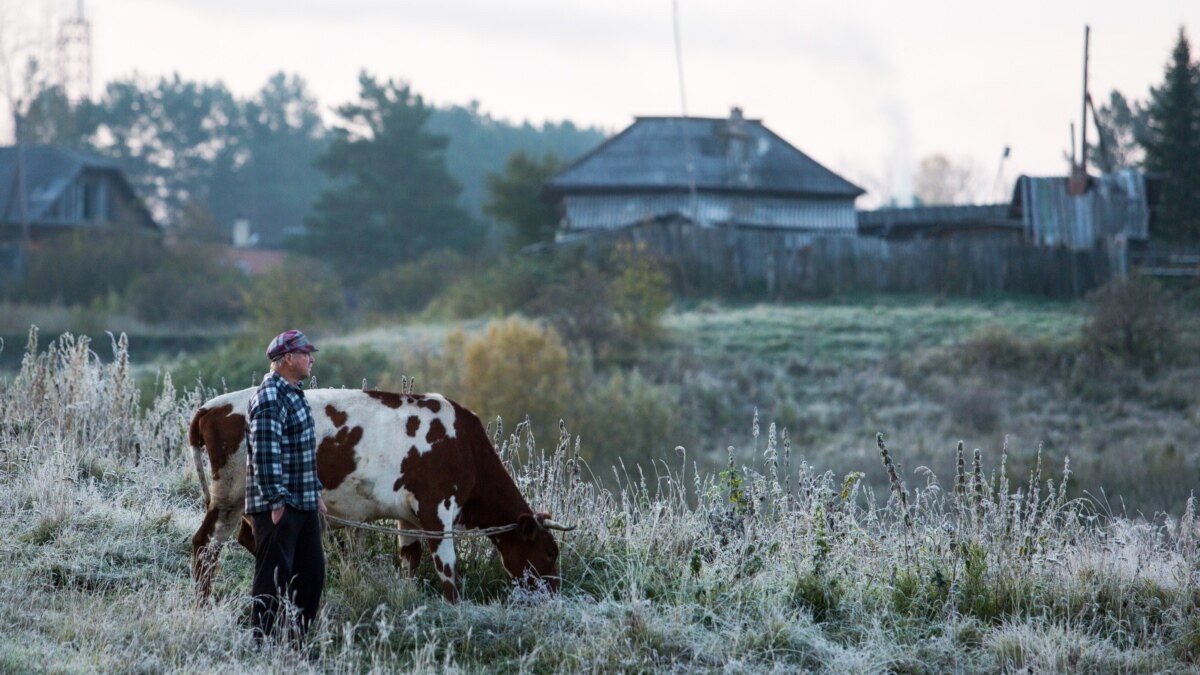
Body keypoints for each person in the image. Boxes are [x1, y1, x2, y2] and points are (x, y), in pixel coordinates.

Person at [246, 329, 327, 646]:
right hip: (279, 508)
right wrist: (277, 502)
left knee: (311, 577)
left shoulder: (294, 393)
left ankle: (296, 644)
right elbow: (266, 454)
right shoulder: (270, 398)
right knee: (273, 580)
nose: (311, 358)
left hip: (303, 504)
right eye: (305, 353)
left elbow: (303, 451)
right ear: (287, 359)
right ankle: (263, 646)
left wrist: (316, 493)